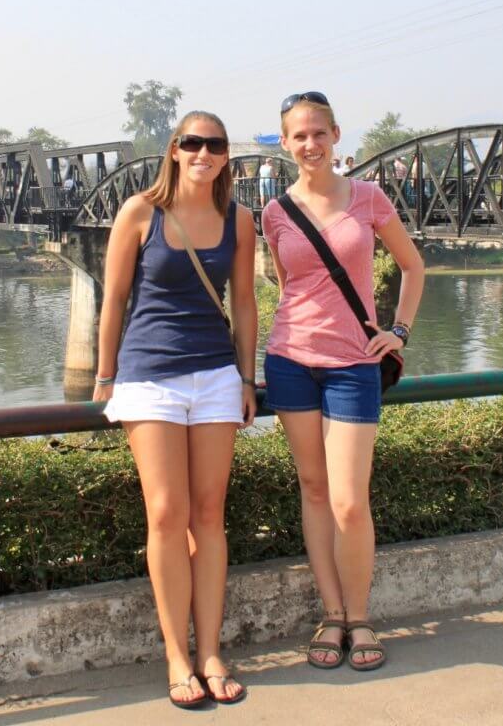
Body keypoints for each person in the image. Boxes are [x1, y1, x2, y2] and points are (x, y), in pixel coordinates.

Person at [93, 110, 257, 708]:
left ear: (224, 156)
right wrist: (105, 373)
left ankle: (211, 650)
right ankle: (177, 656)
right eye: (193, 143)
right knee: (166, 513)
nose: (203, 153)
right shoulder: (140, 212)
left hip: (215, 376)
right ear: (175, 149)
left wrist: (246, 377)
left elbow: (244, 303)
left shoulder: (239, 220)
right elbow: (112, 300)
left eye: (214, 145)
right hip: (149, 378)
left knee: (208, 515)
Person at [261, 92, 425, 672]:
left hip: (354, 363)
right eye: (298, 136)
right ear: (285, 143)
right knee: (313, 489)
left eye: (319, 133)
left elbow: (413, 265)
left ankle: (360, 616)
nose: (310, 144)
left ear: (335, 136)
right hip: (289, 359)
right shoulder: (275, 211)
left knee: (350, 502)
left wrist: (398, 331)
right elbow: (288, 285)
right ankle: (331, 614)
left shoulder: (369, 198)